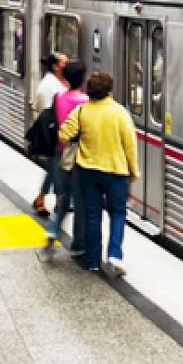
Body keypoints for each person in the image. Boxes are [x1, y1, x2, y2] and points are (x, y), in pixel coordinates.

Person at [57, 71, 138, 277]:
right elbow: (130, 146)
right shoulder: (120, 113)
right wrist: (133, 172)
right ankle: (114, 255)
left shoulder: (82, 111)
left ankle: (93, 261)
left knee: (92, 215)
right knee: (118, 213)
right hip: (115, 172)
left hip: (88, 172)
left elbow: (64, 134)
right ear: (109, 90)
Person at [45, 60, 89, 254]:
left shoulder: (58, 97)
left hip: (59, 152)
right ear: (83, 79)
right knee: (80, 201)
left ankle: (53, 229)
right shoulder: (86, 102)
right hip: (78, 155)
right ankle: (78, 245)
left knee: (62, 197)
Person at [32, 52, 67, 217]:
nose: (66, 66)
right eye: (63, 63)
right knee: (55, 167)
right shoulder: (48, 86)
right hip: (53, 135)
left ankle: (41, 198)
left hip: (61, 135)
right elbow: (47, 114)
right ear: (55, 67)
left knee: (54, 168)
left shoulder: (59, 82)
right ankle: (60, 202)